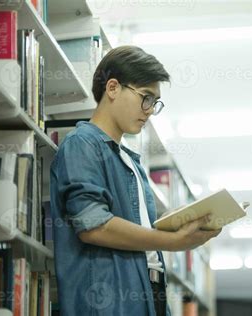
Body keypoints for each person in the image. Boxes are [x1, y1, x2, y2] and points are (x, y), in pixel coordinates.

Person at [50, 45, 222, 315]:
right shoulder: (82, 144)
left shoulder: (131, 162)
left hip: (148, 295)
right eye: (146, 97)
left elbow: (136, 233)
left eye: (155, 102)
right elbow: (93, 226)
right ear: (113, 88)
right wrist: (173, 242)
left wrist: (181, 223)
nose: (150, 110)